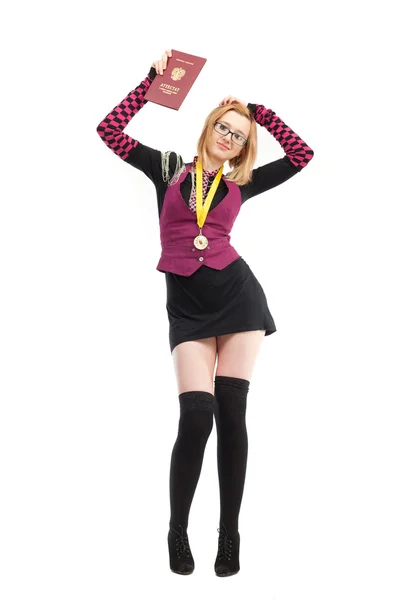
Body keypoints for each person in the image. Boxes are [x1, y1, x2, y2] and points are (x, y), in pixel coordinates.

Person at [96, 48, 314, 577]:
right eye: (225, 127)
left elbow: (302, 154)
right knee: (197, 417)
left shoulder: (242, 183)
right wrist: (150, 82)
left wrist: (259, 112)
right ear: (209, 126)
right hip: (188, 310)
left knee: (233, 416)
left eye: (240, 135)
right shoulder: (167, 168)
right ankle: (177, 530)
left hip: (239, 303)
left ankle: (229, 535)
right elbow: (109, 130)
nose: (230, 138)